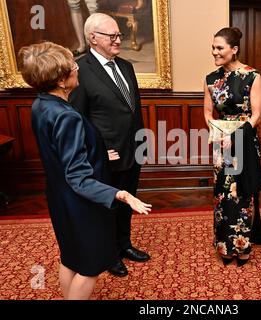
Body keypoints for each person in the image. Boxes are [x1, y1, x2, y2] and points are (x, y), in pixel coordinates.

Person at [17, 41, 151, 299]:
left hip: (60, 197)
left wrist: (98, 152)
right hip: (82, 204)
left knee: (71, 257)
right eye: (72, 66)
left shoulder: (41, 105)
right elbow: (78, 177)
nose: (77, 68)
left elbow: (61, 154)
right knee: (89, 267)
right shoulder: (68, 116)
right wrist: (121, 194)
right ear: (61, 80)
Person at [69, 13, 148, 278]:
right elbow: (78, 119)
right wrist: (97, 151)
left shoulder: (125, 66)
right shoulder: (81, 70)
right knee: (108, 208)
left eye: (119, 35)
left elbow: (132, 110)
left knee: (128, 202)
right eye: (112, 36)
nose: (118, 40)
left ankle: (124, 245)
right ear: (93, 38)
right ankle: (109, 254)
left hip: (133, 149)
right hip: (106, 156)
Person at [203, 27, 261, 267]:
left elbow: (257, 114)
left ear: (234, 49)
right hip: (221, 141)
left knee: (241, 192)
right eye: (213, 47)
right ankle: (224, 246)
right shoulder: (211, 79)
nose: (215, 52)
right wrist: (216, 132)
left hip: (245, 140)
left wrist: (237, 135)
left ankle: (242, 245)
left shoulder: (252, 76)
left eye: (220, 48)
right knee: (222, 194)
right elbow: (208, 111)